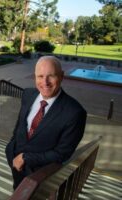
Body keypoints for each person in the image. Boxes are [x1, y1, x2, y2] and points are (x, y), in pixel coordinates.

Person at [5, 56, 87, 190]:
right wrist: (11, 149)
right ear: (34, 77)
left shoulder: (75, 112)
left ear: (61, 76)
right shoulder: (28, 94)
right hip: (15, 165)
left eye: (51, 76)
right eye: (40, 76)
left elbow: (62, 153)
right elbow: (20, 126)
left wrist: (26, 157)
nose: (45, 82)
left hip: (41, 177)